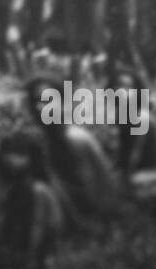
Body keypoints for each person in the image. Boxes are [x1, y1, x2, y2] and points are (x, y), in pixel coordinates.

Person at [25, 74, 121, 228]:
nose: (38, 108)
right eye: (34, 102)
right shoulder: (45, 142)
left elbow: (99, 191)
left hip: (92, 225)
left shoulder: (74, 139)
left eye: (46, 101)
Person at [0, 131, 64, 269]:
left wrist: (25, 265)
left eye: (18, 154)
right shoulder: (14, 192)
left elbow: (38, 230)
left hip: (36, 264)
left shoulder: (39, 191)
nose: (10, 159)